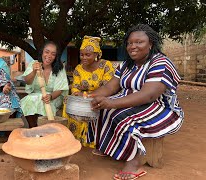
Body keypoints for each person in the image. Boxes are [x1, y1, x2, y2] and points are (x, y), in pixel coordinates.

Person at [89, 24, 184, 180]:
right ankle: (108, 146)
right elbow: (110, 87)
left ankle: (135, 161)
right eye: (130, 43)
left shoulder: (160, 62)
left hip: (160, 107)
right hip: (132, 102)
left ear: (150, 44)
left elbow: (149, 95)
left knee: (121, 115)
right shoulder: (127, 65)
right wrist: (88, 97)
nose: (133, 46)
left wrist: (111, 103)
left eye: (139, 42)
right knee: (98, 108)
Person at [62, 36, 115, 149]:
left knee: (96, 103)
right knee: (68, 100)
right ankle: (74, 137)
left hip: (102, 96)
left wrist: (89, 95)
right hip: (83, 97)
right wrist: (80, 94)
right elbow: (75, 87)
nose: (84, 57)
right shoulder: (78, 69)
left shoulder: (106, 66)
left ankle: (92, 140)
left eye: (88, 54)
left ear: (96, 55)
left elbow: (108, 87)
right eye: (82, 54)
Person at [20, 41, 69, 128]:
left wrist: (50, 96)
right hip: (35, 96)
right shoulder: (33, 64)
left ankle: (44, 129)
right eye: (47, 52)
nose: (49, 56)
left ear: (56, 56)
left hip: (54, 97)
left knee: (41, 100)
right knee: (31, 99)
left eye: (53, 54)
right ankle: (33, 127)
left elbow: (60, 89)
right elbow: (27, 81)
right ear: (42, 52)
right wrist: (34, 71)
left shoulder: (59, 68)